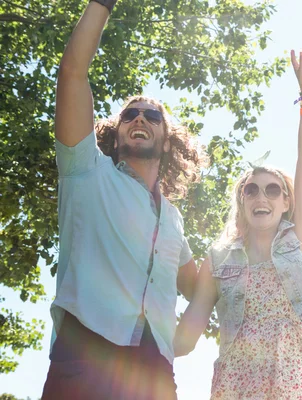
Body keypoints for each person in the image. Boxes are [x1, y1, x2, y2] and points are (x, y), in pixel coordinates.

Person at [41, 0, 205, 398]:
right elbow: (73, 74)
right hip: (85, 356)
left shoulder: (173, 220)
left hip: (154, 374)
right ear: (115, 136)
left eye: (152, 116)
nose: (139, 118)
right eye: (130, 114)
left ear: (167, 142)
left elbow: (198, 285)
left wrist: (186, 338)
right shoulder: (86, 172)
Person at [174, 50, 302, 399]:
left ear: (287, 202)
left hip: (292, 386)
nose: (262, 198)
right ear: (241, 201)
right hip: (234, 388)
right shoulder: (218, 261)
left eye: (274, 190)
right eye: (251, 190)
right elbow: (185, 339)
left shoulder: (299, 244)